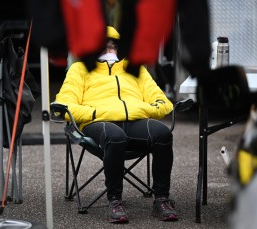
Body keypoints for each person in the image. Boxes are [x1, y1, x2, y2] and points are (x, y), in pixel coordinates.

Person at [55, 26, 178, 223]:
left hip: (133, 120)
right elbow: (64, 105)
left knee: (163, 134)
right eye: (103, 46)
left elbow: (163, 103)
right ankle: (115, 201)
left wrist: (140, 110)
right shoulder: (80, 69)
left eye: (112, 46)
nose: (109, 50)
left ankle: (161, 199)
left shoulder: (135, 68)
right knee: (115, 136)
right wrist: (94, 113)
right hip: (98, 123)